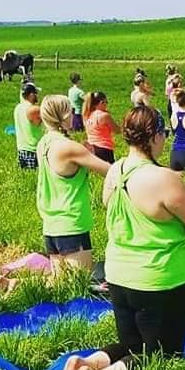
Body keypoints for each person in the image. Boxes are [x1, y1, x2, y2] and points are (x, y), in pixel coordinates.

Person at [49, 106, 185, 370]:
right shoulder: (163, 179)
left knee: (132, 344)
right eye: (163, 134)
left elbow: (110, 205)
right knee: (163, 356)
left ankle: (86, 361)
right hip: (159, 281)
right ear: (154, 137)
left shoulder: (114, 171)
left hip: (119, 277)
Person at [36, 95, 111, 274]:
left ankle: (12, 285)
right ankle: (12, 285)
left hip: (51, 225)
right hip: (72, 224)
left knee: (60, 286)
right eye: (69, 111)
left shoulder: (43, 143)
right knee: (80, 287)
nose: (73, 114)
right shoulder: (68, 147)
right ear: (62, 116)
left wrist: (85, 154)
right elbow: (110, 171)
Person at [83, 91, 120, 164]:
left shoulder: (86, 115)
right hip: (104, 149)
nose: (107, 104)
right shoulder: (104, 116)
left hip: (91, 148)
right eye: (106, 102)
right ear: (101, 102)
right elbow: (117, 130)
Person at [13, 81, 43, 170]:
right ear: (31, 95)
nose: (37, 96)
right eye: (36, 93)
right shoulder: (33, 109)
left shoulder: (17, 108)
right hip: (33, 150)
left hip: (21, 148)